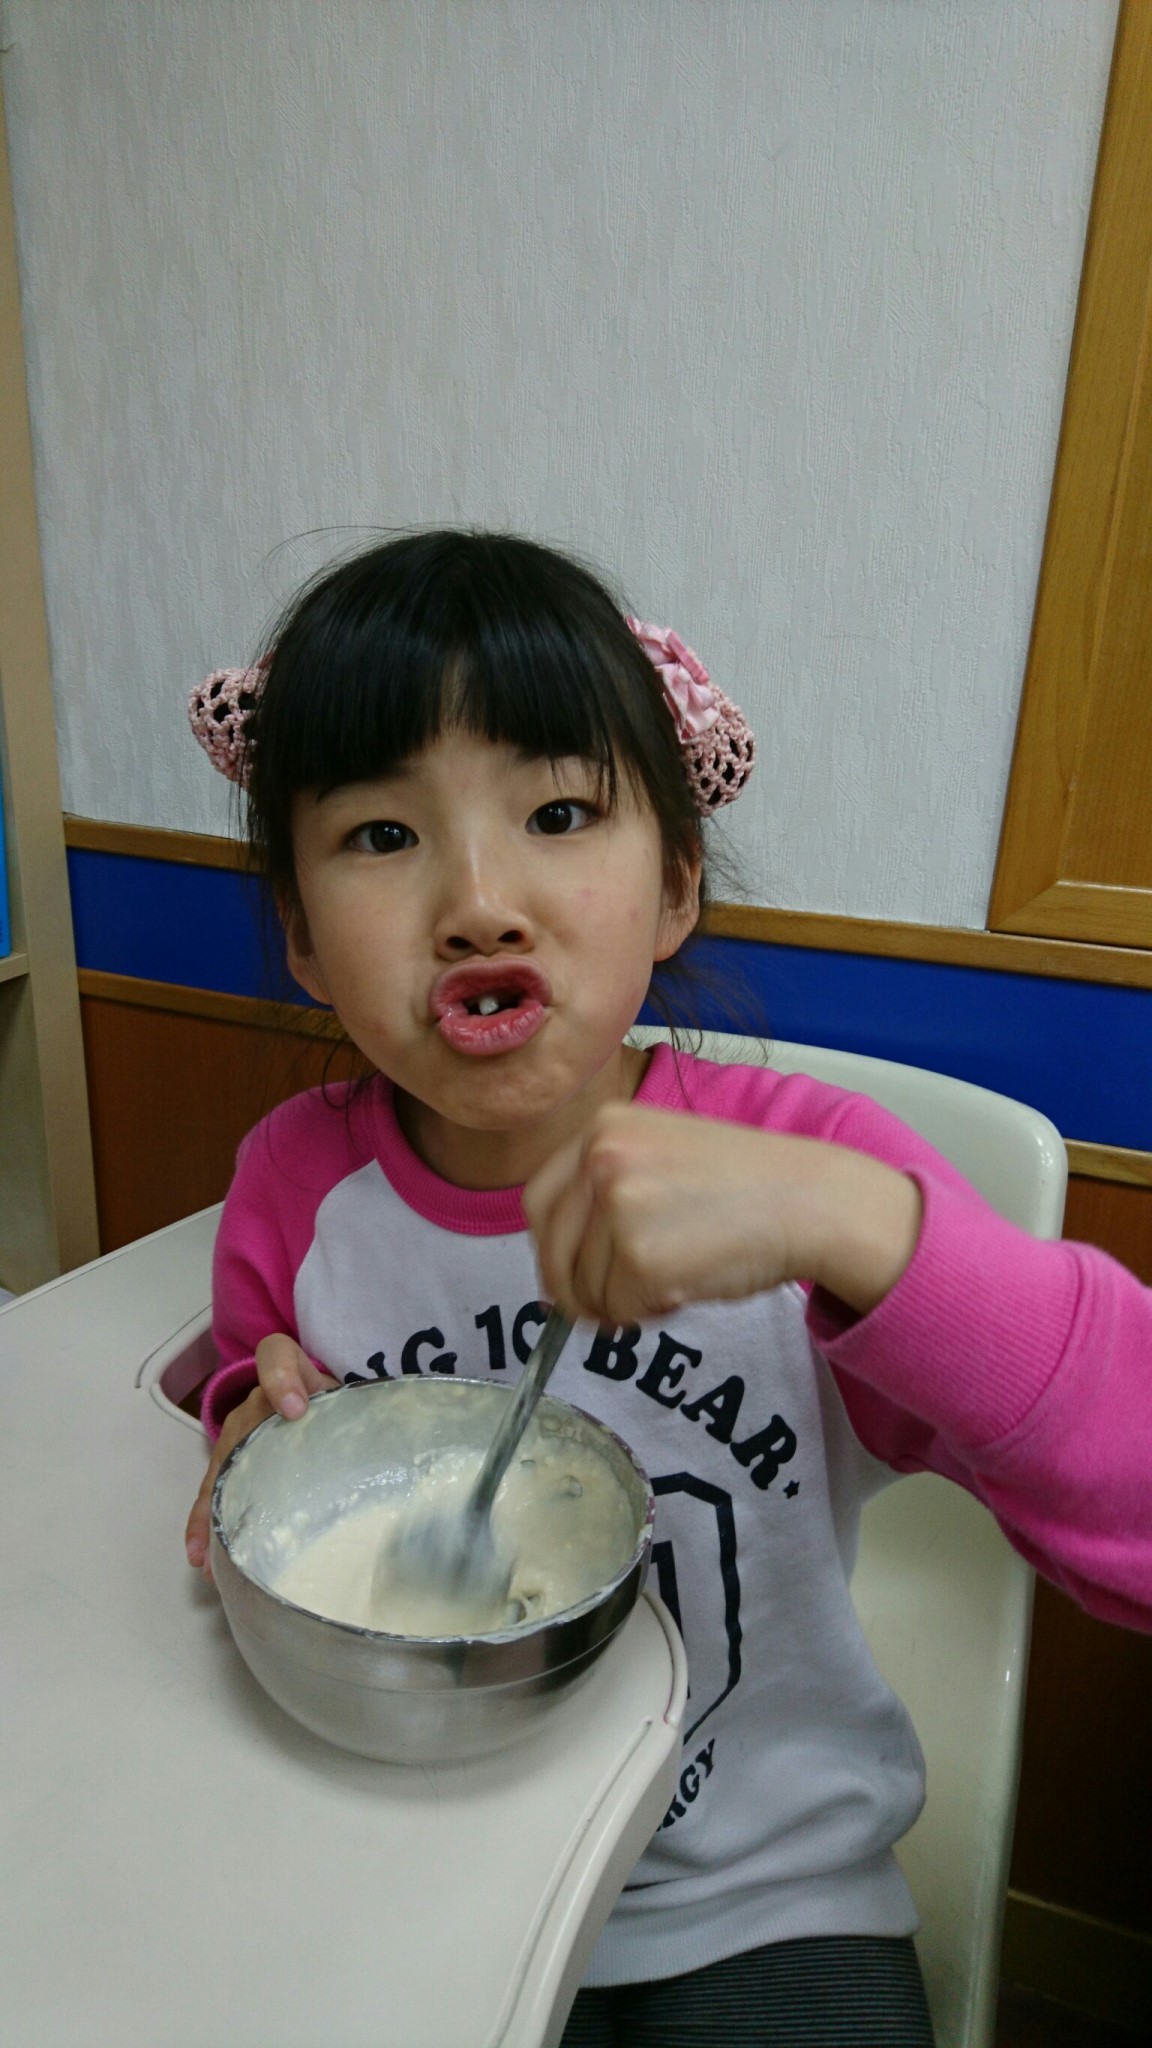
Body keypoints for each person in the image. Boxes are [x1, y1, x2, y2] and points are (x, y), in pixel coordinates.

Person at [183, 530, 1151, 2048]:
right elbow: (257, 1371)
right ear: (301, 934)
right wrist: (251, 1413)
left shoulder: (814, 1177)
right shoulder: (295, 1183)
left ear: (677, 883)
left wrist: (855, 1229)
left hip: (759, 1892)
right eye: (382, 833)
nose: (479, 900)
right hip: (421, 1861)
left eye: (559, 813)